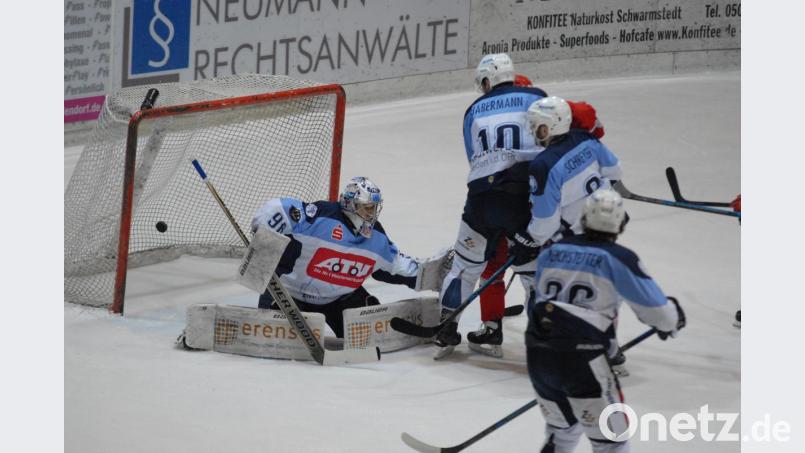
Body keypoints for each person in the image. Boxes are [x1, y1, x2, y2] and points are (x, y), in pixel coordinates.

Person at [525, 189, 685, 452]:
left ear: (584, 217)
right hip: (584, 361)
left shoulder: (551, 252)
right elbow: (661, 314)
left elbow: (540, 300)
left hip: (539, 353)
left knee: (562, 432)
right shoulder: (618, 258)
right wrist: (673, 320)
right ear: (620, 223)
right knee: (612, 441)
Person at [435, 53, 548, 359]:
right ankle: (545, 340)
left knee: (464, 268)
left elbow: (474, 158)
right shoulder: (536, 97)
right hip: (524, 199)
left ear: (487, 80)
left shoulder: (473, 109)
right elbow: (552, 143)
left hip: (482, 199)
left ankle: (446, 328)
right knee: (534, 274)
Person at [251, 176, 425, 338]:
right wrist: (262, 249)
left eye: (374, 208)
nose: (371, 215)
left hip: (340, 299)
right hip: (288, 295)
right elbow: (278, 209)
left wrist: (431, 274)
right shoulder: (321, 217)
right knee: (273, 340)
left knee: (372, 339)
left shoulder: (376, 238)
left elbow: (398, 265)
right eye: (367, 208)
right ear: (350, 204)